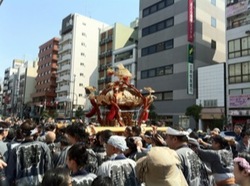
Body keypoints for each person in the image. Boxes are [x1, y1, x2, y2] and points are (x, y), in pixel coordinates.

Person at [6, 119, 52, 185]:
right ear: (35, 132)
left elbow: (10, 174)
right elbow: (48, 168)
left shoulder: (16, 150)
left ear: (22, 133)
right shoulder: (44, 146)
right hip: (40, 182)